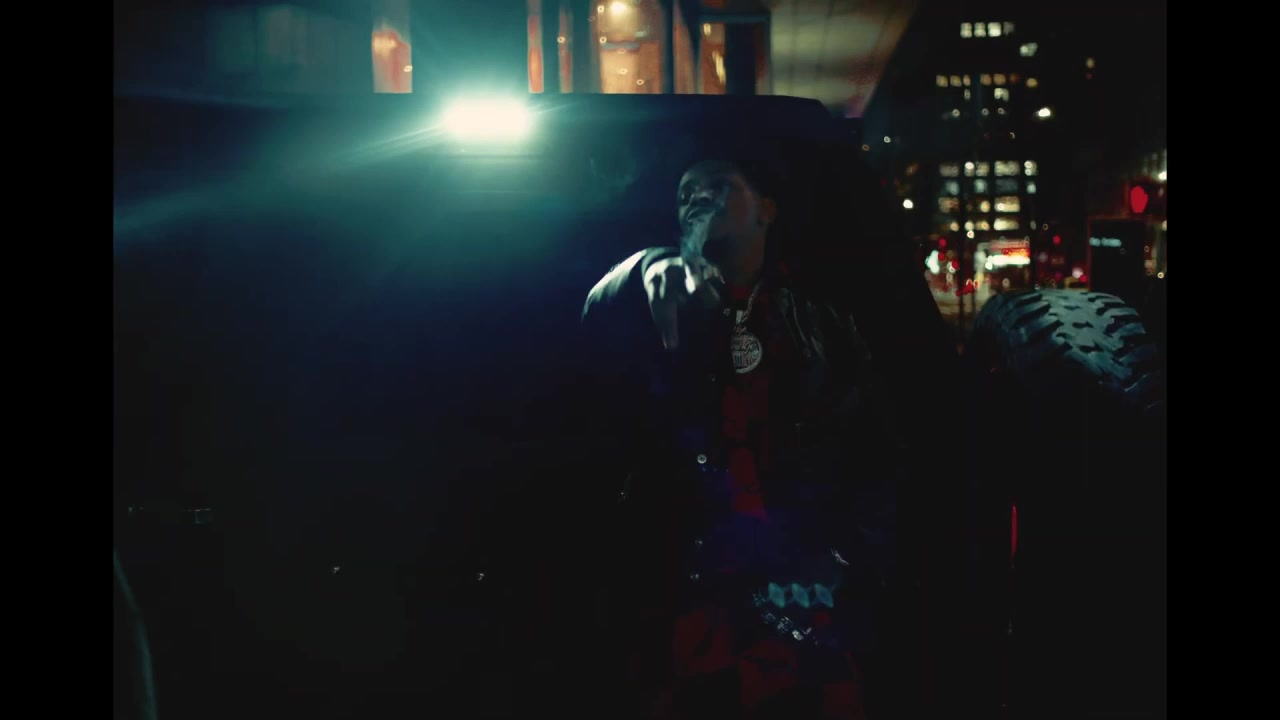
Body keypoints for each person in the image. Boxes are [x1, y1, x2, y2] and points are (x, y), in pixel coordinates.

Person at [576, 149, 913, 719]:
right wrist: (646, 267)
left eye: (718, 185)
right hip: (683, 593)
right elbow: (599, 314)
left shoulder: (821, 322)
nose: (696, 198)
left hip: (798, 596)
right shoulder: (656, 300)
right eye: (685, 192)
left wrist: (840, 559)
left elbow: (874, 454)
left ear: (767, 210)